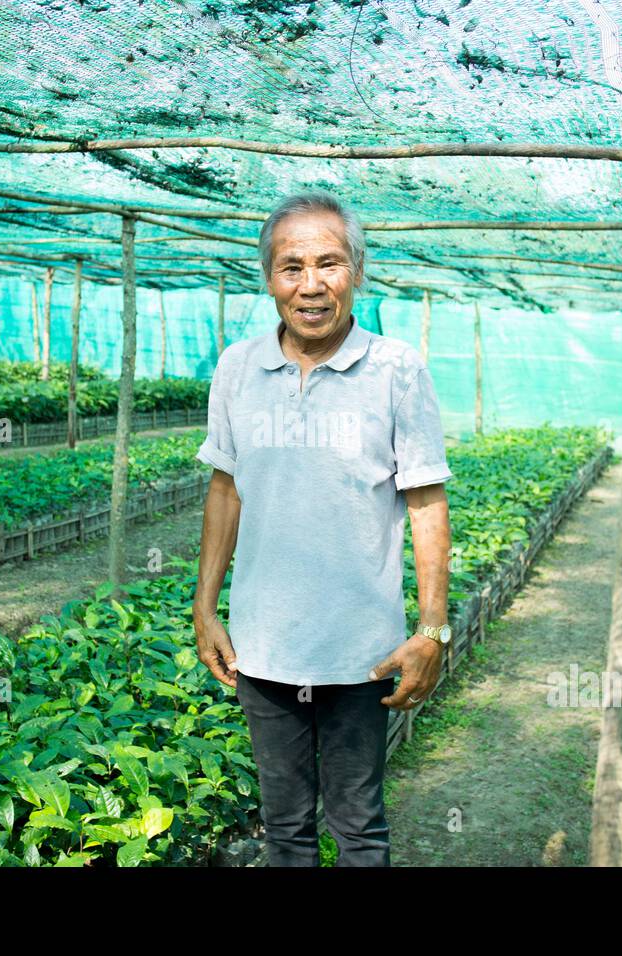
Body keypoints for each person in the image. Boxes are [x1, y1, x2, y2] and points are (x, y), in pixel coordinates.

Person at [190, 191, 454, 866]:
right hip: (263, 647)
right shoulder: (236, 369)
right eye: (292, 266)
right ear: (269, 277)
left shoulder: (397, 370)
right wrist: (203, 606)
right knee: (284, 827)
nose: (311, 284)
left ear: (357, 270)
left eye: (329, 263)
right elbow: (226, 488)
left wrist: (431, 630)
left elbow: (426, 502)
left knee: (359, 825)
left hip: (360, 651)